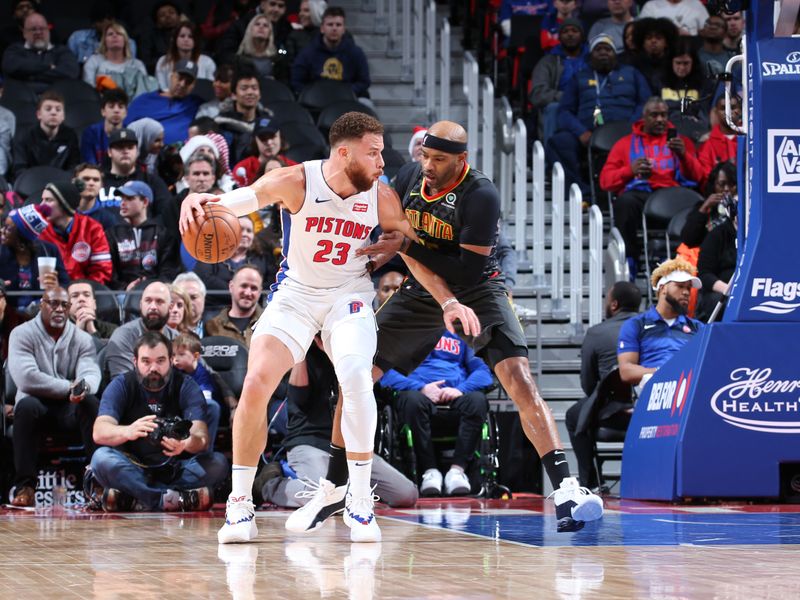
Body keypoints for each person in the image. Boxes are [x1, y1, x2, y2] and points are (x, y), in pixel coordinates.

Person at [179, 112, 480, 544]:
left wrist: (448, 298)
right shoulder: (296, 180)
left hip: (349, 296)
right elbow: (237, 200)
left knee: (357, 378)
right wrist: (199, 199)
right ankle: (240, 505)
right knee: (258, 381)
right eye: (373, 153)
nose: (382, 162)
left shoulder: (382, 196)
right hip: (296, 295)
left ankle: (358, 501)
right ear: (344, 152)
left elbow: (414, 254)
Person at [299, 120, 604, 535]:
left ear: (462, 160)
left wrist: (408, 248)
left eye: (439, 159)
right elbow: (397, 238)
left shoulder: (481, 195)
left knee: (519, 378)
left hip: (478, 288)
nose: (428, 165)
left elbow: (466, 268)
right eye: (425, 155)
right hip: (421, 286)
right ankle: (334, 487)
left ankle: (567, 488)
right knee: (355, 375)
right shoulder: (409, 177)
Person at [259, 335, 417, 508]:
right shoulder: (301, 352)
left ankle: (345, 489)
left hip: (351, 446)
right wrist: (302, 349)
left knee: (407, 494)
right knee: (322, 497)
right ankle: (270, 485)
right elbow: (299, 399)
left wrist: (335, 355)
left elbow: (363, 387)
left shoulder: (355, 353)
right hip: (310, 441)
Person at [91, 331, 228, 511]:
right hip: (133, 467)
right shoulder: (122, 385)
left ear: (171, 361)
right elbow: (99, 432)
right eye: (146, 361)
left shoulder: (186, 385)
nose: (153, 368)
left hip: (175, 468)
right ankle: (172, 500)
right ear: (135, 362)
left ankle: (135, 499)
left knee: (218, 464)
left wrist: (185, 443)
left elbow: (201, 438)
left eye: (160, 361)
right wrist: (128, 431)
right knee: (101, 459)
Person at [7, 287, 100, 506]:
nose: (59, 309)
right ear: (42, 304)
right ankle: (26, 486)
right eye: (53, 303)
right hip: (35, 404)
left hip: (69, 408)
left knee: (91, 402)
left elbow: (91, 373)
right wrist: (70, 387)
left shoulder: (83, 339)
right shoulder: (21, 333)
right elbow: (27, 379)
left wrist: (83, 388)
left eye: (64, 305)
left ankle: (98, 482)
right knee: (26, 406)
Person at [381, 330, 493, 497]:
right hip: (418, 394)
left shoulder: (460, 333)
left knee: (477, 401)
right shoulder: (403, 333)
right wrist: (420, 388)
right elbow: (385, 373)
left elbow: (483, 372)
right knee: (411, 400)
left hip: (456, 394)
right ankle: (429, 471)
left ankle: (457, 471)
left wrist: (460, 390)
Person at [599, 96, 705, 266]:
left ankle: (691, 260)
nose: (660, 120)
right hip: (642, 195)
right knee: (624, 203)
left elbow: (700, 177)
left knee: (698, 206)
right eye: (654, 115)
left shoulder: (681, 142)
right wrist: (630, 170)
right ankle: (629, 261)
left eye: (664, 115)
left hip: (673, 195)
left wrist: (684, 156)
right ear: (644, 117)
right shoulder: (625, 144)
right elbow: (605, 182)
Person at [547, 33, 651, 195]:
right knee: (559, 142)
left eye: (608, 49)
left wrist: (632, 127)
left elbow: (645, 103)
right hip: (589, 132)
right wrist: (581, 132)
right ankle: (581, 193)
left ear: (615, 54)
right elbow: (564, 111)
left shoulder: (632, 73)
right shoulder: (580, 77)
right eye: (598, 49)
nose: (603, 53)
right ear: (591, 55)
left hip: (627, 131)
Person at [566, 281, 640, 489]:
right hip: (648, 410)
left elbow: (588, 384)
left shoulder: (597, 332)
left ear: (614, 305)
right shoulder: (649, 328)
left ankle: (589, 483)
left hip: (614, 414)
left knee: (574, 416)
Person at [617, 257, 704, 387]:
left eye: (688, 288)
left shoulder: (697, 327)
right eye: (680, 286)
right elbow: (626, 372)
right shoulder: (636, 324)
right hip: (651, 393)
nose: (686, 292)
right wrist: (664, 373)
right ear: (663, 288)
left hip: (687, 391)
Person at [106, 180, 181, 291]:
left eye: (129, 198)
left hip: (157, 293)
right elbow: (109, 272)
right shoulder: (112, 234)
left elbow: (169, 271)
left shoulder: (163, 234)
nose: (122, 203)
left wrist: (152, 288)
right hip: (121, 295)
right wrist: (125, 288)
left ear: (145, 202)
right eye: (122, 198)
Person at [38, 181, 114, 284]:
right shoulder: (39, 230)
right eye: (42, 200)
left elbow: (102, 270)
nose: (41, 205)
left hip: (84, 294)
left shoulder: (92, 228)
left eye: (48, 200)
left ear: (64, 203)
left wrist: (81, 291)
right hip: (51, 294)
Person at [171, 331, 234, 451]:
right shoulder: (175, 371)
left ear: (196, 356)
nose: (176, 360)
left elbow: (204, 398)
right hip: (183, 406)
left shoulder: (203, 374)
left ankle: (205, 451)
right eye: (174, 355)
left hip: (202, 408)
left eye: (181, 355)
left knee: (211, 406)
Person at [290, 6, 371, 99]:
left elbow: (364, 81)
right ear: (322, 28)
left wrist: (345, 92)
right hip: (316, 99)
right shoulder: (307, 53)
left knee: (367, 105)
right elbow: (297, 81)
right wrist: (313, 94)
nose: (334, 28)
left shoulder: (356, 52)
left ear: (344, 29)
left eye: (338, 25)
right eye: (330, 24)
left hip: (348, 98)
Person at [530, 19, 588, 145]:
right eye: (565, 31)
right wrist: (566, 98)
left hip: (587, 105)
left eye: (574, 31)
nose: (570, 34)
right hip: (559, 106)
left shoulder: (591, 60)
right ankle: (549, 159)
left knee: (601, 110)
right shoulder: (547, 62)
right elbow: (537, 93)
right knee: (553, 108)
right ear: (559, 36)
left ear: (582, 35)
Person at [0, 204, 69, 310]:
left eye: (8, 229)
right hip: (6, 314)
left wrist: (57, 287)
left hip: (41, 313)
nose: (2, 231)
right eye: (3, 226)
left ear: (21, 243)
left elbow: (66, 284)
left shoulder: (49, 251)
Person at [105, 281, 179, 378]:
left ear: (170, 307)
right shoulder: (124, 336)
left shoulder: (176, 338)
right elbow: (123, 384)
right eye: (148, 301)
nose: (153, 307)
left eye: (159, 301)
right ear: (141, 305)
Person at [99, 128, 172, 220]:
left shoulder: (152, 181)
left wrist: (150, 231)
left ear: (137, 151)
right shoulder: (98, 182)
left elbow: (167, 214)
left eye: (130, 147)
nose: (125, 151)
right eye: (120, 147)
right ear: (109, 152)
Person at [125, 59, 203, 145]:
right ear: (171, 76)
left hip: (180, 154)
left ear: (193, 85)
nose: (182, 84)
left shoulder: (195, 103)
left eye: (188, 82)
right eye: (179, 78)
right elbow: (126, 127)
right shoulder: (145, 100)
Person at [1, 12, 80, 93]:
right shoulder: (14, 50)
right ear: (24, 33)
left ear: (48, 31)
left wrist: (29, 76)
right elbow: (11, 67)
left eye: (42, 28)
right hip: (19, 99)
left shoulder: (62, 51)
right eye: (33, 29)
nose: (38, 32)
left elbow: (70, 73)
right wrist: (49, 66)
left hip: (56, 99)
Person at [215, 65, 274, 166]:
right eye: (244, 88)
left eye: (254, 88)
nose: (250, 92)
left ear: (259, 94)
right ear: (233, 95)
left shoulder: (269, 122)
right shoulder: (222, 125)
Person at [12, 90, 80, 176]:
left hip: (61, 184)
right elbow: (19, 168)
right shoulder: (24, 136)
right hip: (31, 184)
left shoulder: (71, 135)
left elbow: (73, 167)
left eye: (58, 109)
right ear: (38, 114)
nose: (53, 112)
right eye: (48, 109)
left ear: (63, 116)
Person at [82, 21, 149, 98]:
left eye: (119, 34)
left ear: (125, 41)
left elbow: (144, 91)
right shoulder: (93, 61)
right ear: (104, 41)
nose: (114, 36)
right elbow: (89, 89)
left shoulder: (137, 64)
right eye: (110, 34)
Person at [696, 197, 737, 321]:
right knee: (725, 304)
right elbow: (705, 274)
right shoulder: (717, 235)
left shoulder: (760, 236)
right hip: (722, 291)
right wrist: (729, 291)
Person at [205, 264, 265, 347]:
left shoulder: (269, 324)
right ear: (231, 287)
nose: (248, 293)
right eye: (244, 286)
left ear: (260, 291)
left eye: (254, 288)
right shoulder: (212, 326)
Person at [232, 118, 297, 186]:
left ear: (280, 137)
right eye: (263, 138)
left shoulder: (293, 168)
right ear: (255, 141)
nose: (269, 142)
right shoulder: (243, 168)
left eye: (272, 136)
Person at [155, 21, 215, 91]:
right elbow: (161, 87)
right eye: (182, 36)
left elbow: (210, 87)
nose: (186, 40)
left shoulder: (207, 62)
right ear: (175, 39)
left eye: (190, 37)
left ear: (196, 40)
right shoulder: (163, 61)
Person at [628, 18, 678, 95]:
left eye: (658, 38)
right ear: (642, 43)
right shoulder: (633, 65)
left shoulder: (674, 64)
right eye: (648, 38)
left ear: (666, 42)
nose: (653, 41)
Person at [81, 88, 129, 167]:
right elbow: (89, 165)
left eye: (120, 107)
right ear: (103, 111)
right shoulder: (91, 133)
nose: (116, 110)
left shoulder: (131, 134)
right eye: (111, 106)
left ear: (126, 113)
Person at [698, 94, 740, 177]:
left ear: (741, 110)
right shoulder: (707, 144)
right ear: (716, 112)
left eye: (732, 107)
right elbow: (705, 177)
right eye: (723, 108)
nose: (728, 112)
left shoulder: (751, 139)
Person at [237, 15, 283, 81]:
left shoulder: (277, 59)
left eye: (265, 25)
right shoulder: (240, 59)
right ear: (250, 30)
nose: (261, 27)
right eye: (257, 24)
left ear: (270, 33)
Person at [638, 0, 709, 36]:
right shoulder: (651, 6)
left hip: (688, 52)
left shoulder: (696, 5)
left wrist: (689, 37)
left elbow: (707, 31)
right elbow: (642, 30)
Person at [173, 272, 207, 338]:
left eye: (193, 297)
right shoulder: (163, 329)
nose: (189, 303)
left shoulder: (216, 328)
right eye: (183, 297)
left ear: (204, 299)